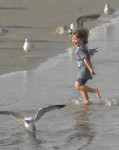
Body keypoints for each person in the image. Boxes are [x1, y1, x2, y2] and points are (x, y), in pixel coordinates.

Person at [72, 28, 101, 105]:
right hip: (82, 70)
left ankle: (94, 91)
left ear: (81, 39)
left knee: (77, 86)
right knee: (82, 86)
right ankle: (87, 101)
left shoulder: (81, 50)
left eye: (76, 39)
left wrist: (91, 69)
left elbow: (86, 60)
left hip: (83, 71)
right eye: (73, 39)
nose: (74, 41)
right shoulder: (83, 48)